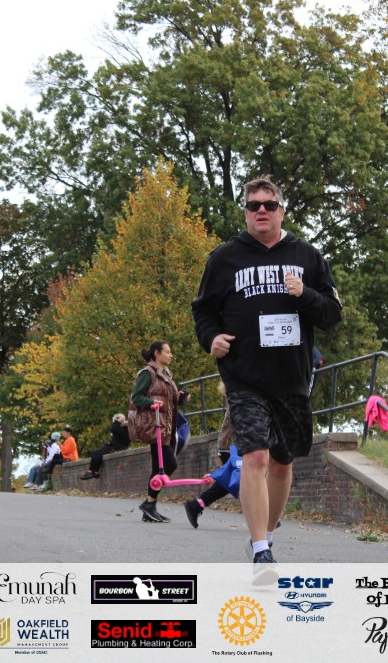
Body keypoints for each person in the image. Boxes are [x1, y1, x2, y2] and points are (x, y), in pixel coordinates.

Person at [191, 176, 342, 581]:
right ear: (245, 212)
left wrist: (304, 294)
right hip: (244, 376)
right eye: (253, 204)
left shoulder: (307, 256)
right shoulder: (225, 258)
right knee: (254, 456)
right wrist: (211, 338)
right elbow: (203, 311)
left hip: (291, 377)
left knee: (282, 463)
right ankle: (261, 553)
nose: (261, 210)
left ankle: (267, 537)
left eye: (269, 204)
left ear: (281, 211)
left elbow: (332, 314)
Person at [129, 340, 188, 523]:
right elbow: (136, 397)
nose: (171, 355)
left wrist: (180, 398)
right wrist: (151, 403)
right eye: (167, 352)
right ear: (157, 353)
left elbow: (168, 401)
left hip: (166, 427)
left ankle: (150, 507)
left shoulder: (167, 374)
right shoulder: (147, 373)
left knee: (159, 467)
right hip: (154, 427)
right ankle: (149, 504)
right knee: (170, 465)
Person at [184, 381, 236, 528]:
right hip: (231, 448)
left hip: (229, 447)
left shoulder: (237, 397)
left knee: (228, 483)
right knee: (240, 481)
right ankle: (267, 516)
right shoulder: (239, 399)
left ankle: (196, 505)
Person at [80, 414, 131, 480]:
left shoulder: (125, 428)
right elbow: (114, 429)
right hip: (113, 446)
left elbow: (113, 428)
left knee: (97, 454)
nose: (115, 423)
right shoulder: (119, 428)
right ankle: (93, 472)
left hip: (116, 447)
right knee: (95, 453)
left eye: (116, 421)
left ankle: (94, 472)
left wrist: (118, 421)